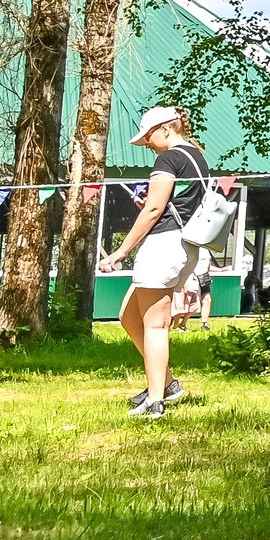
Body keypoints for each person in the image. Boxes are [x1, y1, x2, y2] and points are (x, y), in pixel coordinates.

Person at [96, 106, 215, 418]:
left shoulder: (169, 158)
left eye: (148, 136)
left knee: (155, 325)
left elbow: (153, 209)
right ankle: (167, 384)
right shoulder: (197, 157)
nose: (147, 143)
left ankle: (156, 402)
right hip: (183, 245)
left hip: (164, 244)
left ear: (166, 127)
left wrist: (120, 251)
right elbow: (175, 203)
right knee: (128, 316)